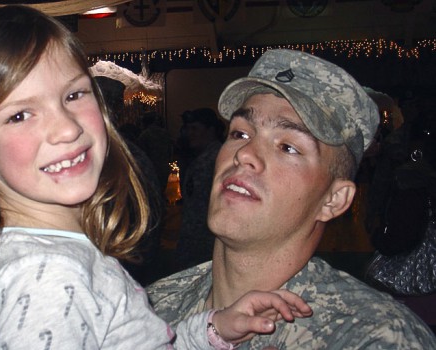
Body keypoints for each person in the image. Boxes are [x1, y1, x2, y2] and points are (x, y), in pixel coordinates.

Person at [0, 6, 313, 349]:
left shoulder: (61, 256)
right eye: (19, 114)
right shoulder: (45, 278)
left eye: (73, 95)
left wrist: (213, 328)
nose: (66, 128)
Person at [147, 49, 436, 348]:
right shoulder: (153, 307)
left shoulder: (375, 337)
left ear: (334, 199)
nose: (244, 154)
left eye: (288, 147)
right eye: (240, 134)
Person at [175, 108, 225, 270]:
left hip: (207, 248)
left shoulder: (219, 159)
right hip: (194, 244)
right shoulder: (200, 157)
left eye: (195, 128)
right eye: (188, 129)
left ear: (211, 130)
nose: (190, 133)